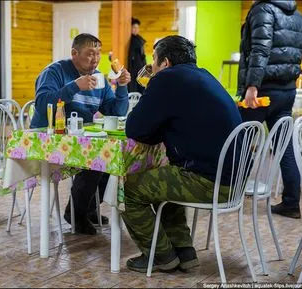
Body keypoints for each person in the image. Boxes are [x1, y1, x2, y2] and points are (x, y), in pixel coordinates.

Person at [123, 35, 243, 273]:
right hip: (234, 181)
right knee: (168, 176)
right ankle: (184, 252)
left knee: (133, 188)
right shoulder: (204, 76)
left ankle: (161, 256)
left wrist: (150, 83)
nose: (152, 69)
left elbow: (134, 128)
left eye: (153, 64)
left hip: (211, 183)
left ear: (165, 63)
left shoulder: (166, 80)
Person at [30, 33, 131, 234]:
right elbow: (42, 105)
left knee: (111, 160)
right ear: (74, 53)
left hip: (78, 141)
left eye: (98, 53)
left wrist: (121, 87)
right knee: (96, 159)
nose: (95, 59)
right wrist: (75, 86)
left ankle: (88, 208)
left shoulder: (100, 78)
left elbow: (117, 112)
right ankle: (76, 214)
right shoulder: (55, 72)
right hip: (48, 141)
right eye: (89, 53)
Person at [237, 0, 302, 219]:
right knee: (284, 147)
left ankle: (229, 193)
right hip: (287, 90)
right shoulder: (296, 14)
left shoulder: (263, 9)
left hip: (263, 89)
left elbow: (260, 48)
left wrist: (252, 85)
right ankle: (291, 203)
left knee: (239, 140)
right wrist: (287, 52)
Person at [127, 17, 147, 94]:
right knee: (133, 89)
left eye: (137, 27)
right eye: (134, 27)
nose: (136, 29)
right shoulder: (131, 40)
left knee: (141, 88)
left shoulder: (139, 40)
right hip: (133, 69)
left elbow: (142, 55)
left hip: (140, 67)